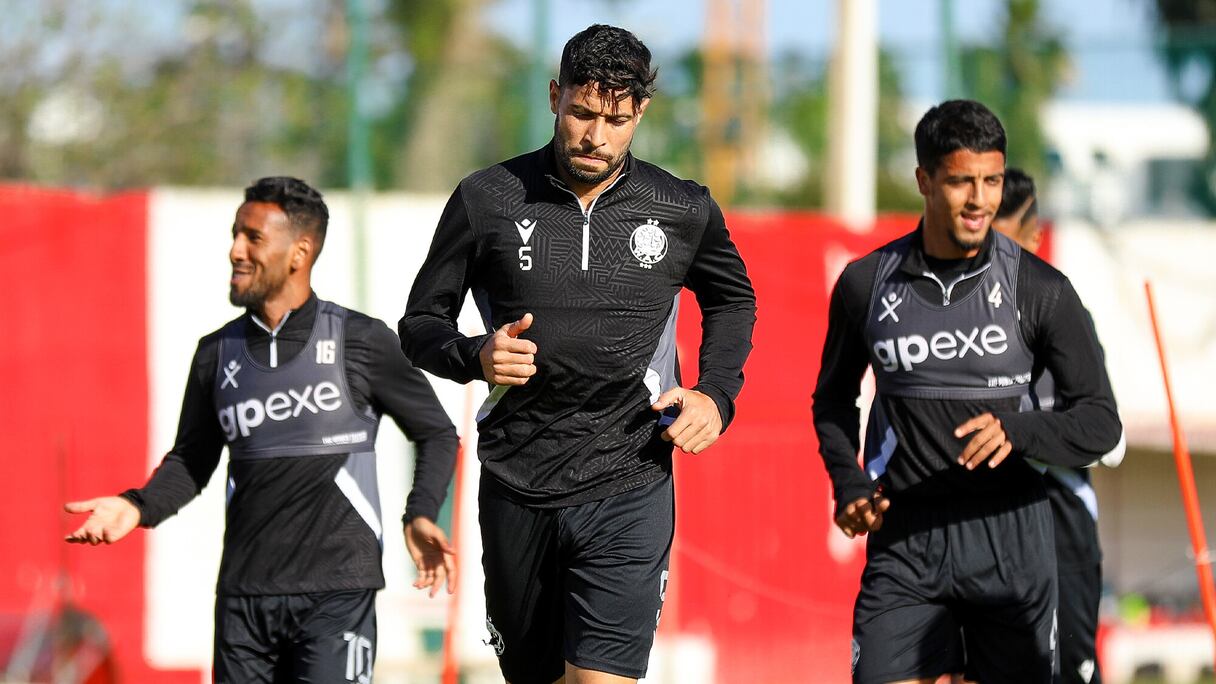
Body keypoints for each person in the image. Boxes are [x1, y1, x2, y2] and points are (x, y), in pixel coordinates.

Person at [398, 24, 756, 684]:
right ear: (554, 96)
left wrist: (716, 392)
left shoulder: (681, 207)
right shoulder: (487, 198)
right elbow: (420, 324)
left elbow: (733, 299)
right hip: (517, 478)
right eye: (582, 113)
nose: (596, 136)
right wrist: (475, 355)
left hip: (630, 475)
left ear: (640, 112)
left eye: (615, 120)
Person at [63, 176, 459, 683]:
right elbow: (191, 460)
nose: (235, 250)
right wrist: (137, 506)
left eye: (252, 237)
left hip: (336, 596)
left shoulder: (361, 340)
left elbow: (436, 432)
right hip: (243, 602)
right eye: (235, 234)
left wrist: (420, 513)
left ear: (299, 253)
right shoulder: (215, 353)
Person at [812, 100, 1122, 684]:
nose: (980, 200)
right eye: (961, 182)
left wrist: (1019, 431)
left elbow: (1101, 423)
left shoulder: (1042, 289)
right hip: (906, 541)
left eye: (992, 181)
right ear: (925, 180)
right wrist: (849, 482)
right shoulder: (865, 284)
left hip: (1011, 541)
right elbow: (832, 400)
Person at [993, 168, 1125, 684]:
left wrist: (1021, 437)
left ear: (1031, 238)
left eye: (1004, 244)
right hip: (980, 524)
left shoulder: (1063, 314)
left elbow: (1107, 439)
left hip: (1059, 521)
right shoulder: (945, 318)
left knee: (1066, 669)